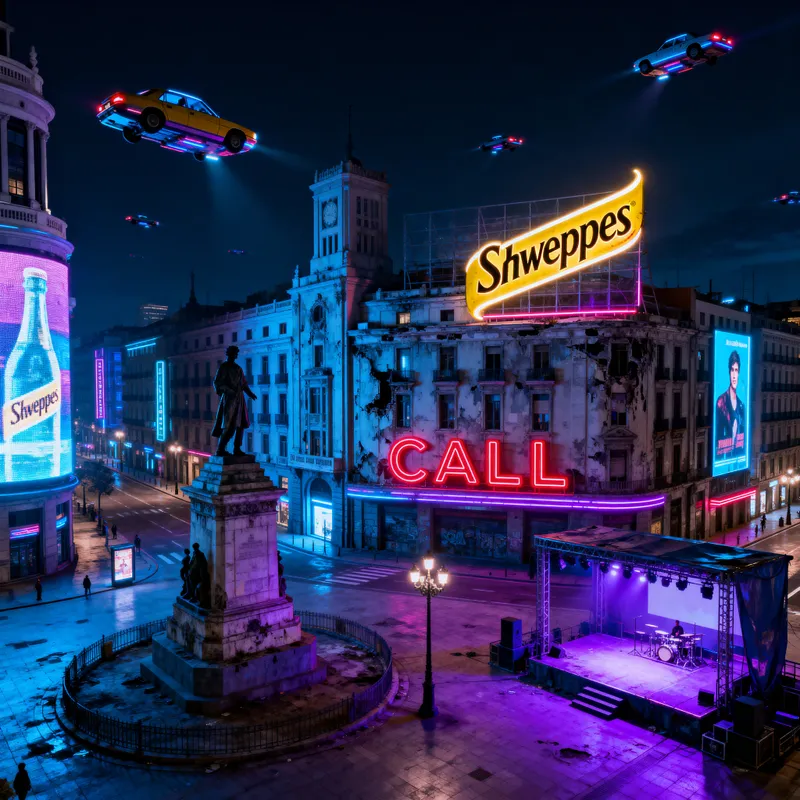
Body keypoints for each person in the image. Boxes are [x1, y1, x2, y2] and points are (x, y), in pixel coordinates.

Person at [212, 345, 257, 457]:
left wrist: (250, 393)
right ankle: (220, 449)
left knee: (241, 424)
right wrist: (227, 390)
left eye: (236, 354)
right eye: (234, 353)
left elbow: (244, 384)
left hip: (239, 399)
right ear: (229, 354)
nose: (235, 355)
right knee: (229, 426)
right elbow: (217, 383)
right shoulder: (224, 367)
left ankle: (237, 448)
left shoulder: (238, 368)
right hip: (229, 399)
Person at [715, 350, 746, 459]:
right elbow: (717, 437)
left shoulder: (742, 406)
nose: (734, 374)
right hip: (722, 459)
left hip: (737, 458)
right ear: (729, 372)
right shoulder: (720, 402)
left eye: (736, 370)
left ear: (739, 373)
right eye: (732, 370)